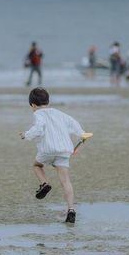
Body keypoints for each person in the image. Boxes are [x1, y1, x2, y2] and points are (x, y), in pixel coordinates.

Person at [20, 88, 86, 223]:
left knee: (37, 165)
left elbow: (38, 128)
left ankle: (44, 183)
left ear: (32, 105)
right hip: (64, 150)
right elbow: (73, 123)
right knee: (65, 181)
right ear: (48, 101)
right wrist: (81, 134)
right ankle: (71, 209)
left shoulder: (38, 114)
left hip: (48, 149)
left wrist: (26, 135)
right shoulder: (60, 113)